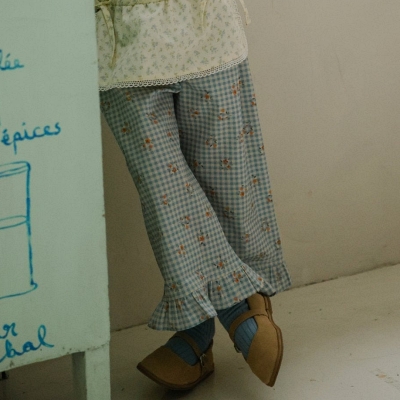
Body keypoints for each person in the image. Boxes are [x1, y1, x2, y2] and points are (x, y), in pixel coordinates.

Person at [95, 0, 292, 390]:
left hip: (204, 25)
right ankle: (238, 307)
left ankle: (197, 332)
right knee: (164, 194)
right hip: (122, 41)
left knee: (229, 186)